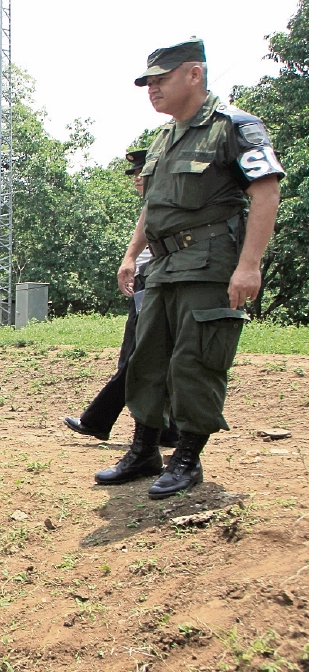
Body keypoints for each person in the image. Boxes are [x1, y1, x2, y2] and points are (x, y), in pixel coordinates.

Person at [95, 38, 282, 498]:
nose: (152, 89)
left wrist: (249, 266)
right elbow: (152, 204)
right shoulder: (164, 137)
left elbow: (266, 191)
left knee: (194, 360)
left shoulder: (234, 128)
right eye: (148, 82)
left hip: (209, 262)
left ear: (193, 75)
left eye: (161, 80)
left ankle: (187, 458)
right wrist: (130, 253)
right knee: (146, 358)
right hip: (162, 264)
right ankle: (143, 450)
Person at [64, 149, 179, 447]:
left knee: (136, 357)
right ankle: (167, 428)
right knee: (145, 356)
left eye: (142, 174)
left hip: (158, 283)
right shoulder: (154, 205)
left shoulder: (172, 202)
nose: (137, 181)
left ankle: (98, 420)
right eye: (135, 176)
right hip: (147, 282)